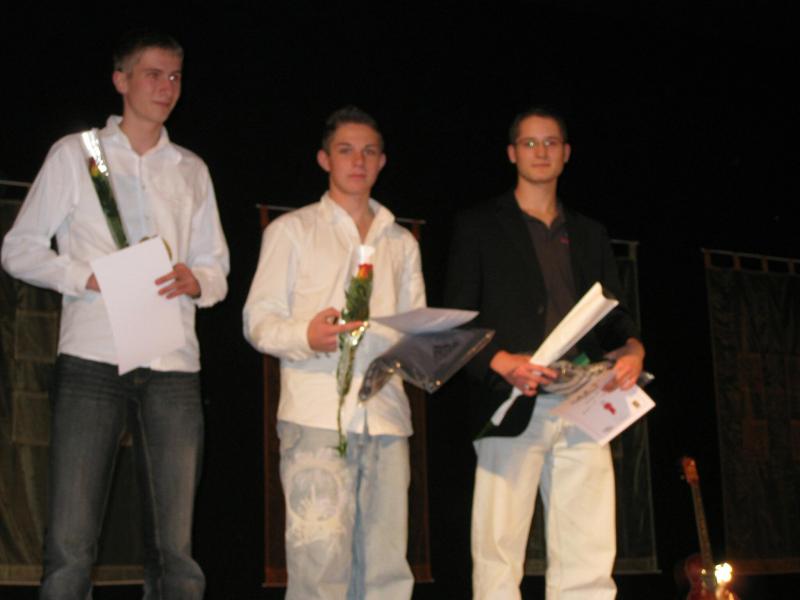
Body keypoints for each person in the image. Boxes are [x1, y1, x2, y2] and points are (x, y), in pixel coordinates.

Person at [1, 30, 229, 598]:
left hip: (173, 365)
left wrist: (198, 280)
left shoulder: (191, 168)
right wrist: (87, 275)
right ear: (121, 80)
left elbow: (217, 269)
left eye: (175, 76)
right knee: (71, 544)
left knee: (176, 550)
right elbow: (18, 249)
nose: (166, 87)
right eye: (153, 74)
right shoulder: (77, 154)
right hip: (93, 358)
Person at [444, 106, 645, 600]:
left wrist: (634, 348)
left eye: (550, 142)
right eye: (530, 143)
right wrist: (499, 363)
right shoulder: (478, 225)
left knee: (589, 550)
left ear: (566, 153)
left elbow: (614, 315)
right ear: (512, 153)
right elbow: (456, 318)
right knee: (498, 550)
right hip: (511, 396)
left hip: (584, 397)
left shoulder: (590, 232)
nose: (541, 151)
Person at [243, 106, 425, 599]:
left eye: (369, 151)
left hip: (386, 417)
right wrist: (306, 335)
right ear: (325, 159)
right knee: (319, 566)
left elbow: (415, 324)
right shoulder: (292, 231)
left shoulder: (400, 242)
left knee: (387, 568)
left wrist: (431, 349)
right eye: (346, 150)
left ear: (382, 161)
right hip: (316, 416)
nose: (358, 161)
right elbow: (257, 320)